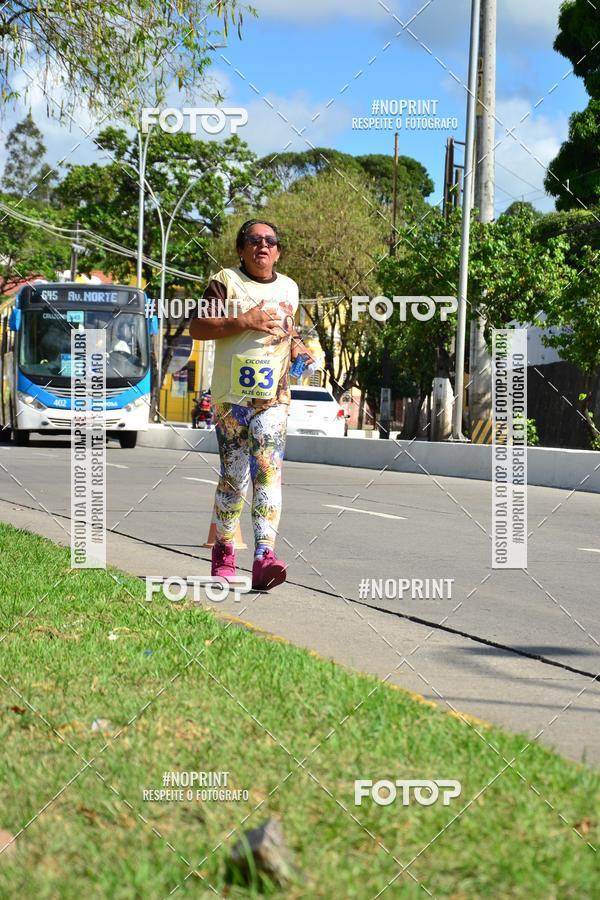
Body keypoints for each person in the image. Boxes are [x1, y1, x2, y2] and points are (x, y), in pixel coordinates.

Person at [190, 219, 313, 591]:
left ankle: (264, 556)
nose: (263, 246)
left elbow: (286, 332)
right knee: (235, 477)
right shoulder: (225, 281)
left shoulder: (289, 287)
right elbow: (198, 327)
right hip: (231, 399)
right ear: (241, 249)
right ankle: (224, 549)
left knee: (268, 471)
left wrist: (298, 348)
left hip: (273, 398)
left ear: (278, 250)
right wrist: (243, 321)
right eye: (254, 240)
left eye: (271, 241)